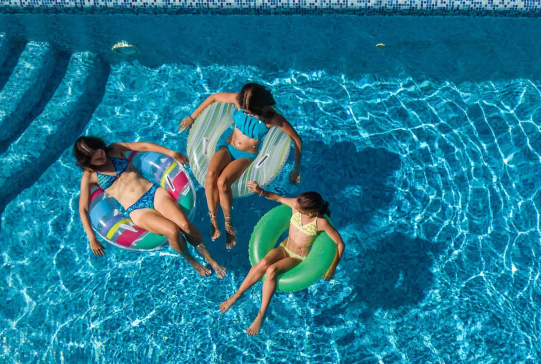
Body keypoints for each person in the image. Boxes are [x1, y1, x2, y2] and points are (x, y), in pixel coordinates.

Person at [75, 136, 226, 278]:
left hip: (154, 193)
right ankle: (191, 260)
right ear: (88, 162)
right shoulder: (90, 176)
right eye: (96, 159)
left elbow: (145, 146)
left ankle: (209, 258)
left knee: (184, 224)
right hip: (137, 209)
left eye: (100, 152)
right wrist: (92, 238)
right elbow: (83, 208)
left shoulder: (115, 149)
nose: (101, 157)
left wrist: (172, 153)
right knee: (172, 231)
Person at [178, 83, 303, 249]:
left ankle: (229, 224)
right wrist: (192, 117)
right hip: (227, 147)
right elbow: (213, 97)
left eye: (249, 110)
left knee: (223, 182)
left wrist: (296, 169)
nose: (246, 112)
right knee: (211, 174)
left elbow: (297, 139)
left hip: (245, 156)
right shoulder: (239, 101)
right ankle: (213, 220)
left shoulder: (271, 118)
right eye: (244, 109)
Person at [220, 181, 344, 335]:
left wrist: (332, 268)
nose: (295, 207)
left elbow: (340, 244)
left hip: (298, 257)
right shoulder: (296, 205)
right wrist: (260, 190)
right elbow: (278, 198)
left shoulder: (321, 222)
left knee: (272, 270)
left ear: (310, 213)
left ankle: (261, 314)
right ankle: (236, 295)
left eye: (299, 208)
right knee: (264, 262)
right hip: (284, 248)